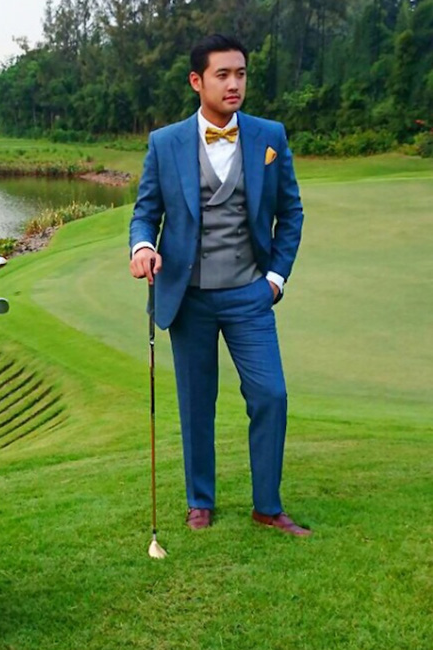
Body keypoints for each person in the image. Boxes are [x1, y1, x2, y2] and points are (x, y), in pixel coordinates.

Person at [129, 33, 311, 536]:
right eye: (223, 75)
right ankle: (200, 501)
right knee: (196, 404)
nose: (234, 84)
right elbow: (146, 212)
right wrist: (141, 246)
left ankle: (267, 506)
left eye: (241, 74)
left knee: (271, 395)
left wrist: (275, 279)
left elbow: (291, 212)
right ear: (197, 81)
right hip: (188, 297)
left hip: (250, 294)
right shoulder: (165, 143)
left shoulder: (270, 135)